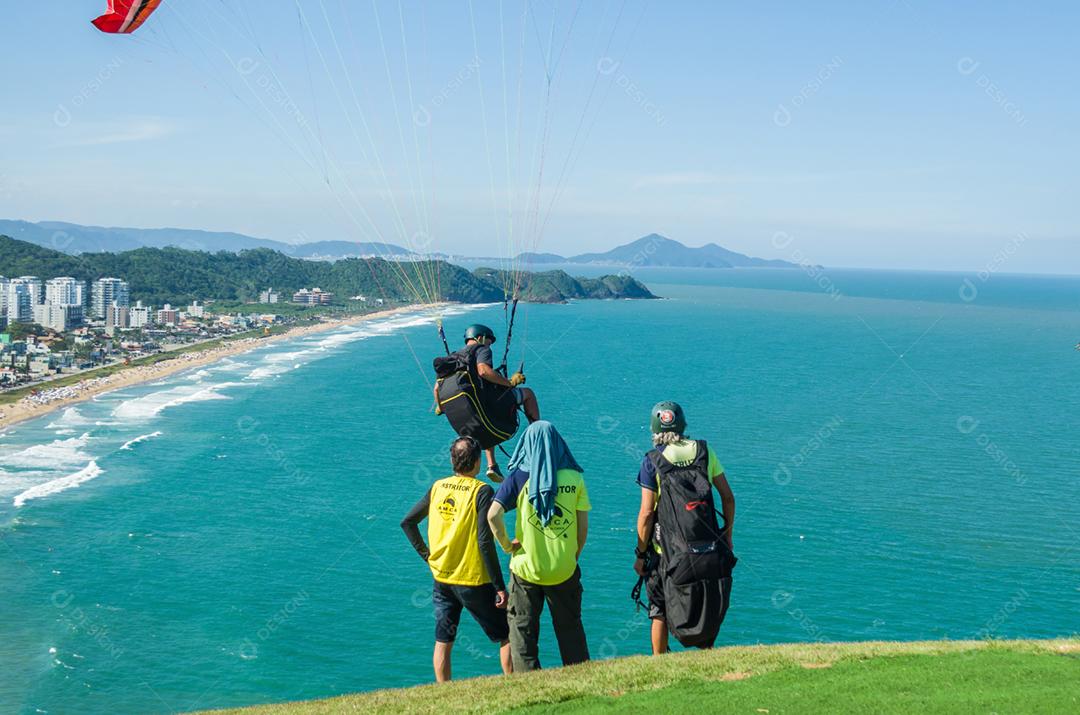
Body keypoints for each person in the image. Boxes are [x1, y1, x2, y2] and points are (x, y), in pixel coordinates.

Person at [401, 436, 512, 681]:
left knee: (443, 639)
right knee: (508, 633)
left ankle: (444, 693)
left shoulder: (438, 486)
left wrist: (428, 557)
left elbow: (408, 522)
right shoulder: (482, 491)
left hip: (442, 578)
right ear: (477, 461)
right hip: (473, 579)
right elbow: (485, 542)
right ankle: (513, 685)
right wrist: (500, 587)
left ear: (453, 460)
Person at [486, 421, 590, 671]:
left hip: (526, 569)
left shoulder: (518, 477)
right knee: (570, 628)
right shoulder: (575, 478)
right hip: (563, 568)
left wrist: (507, 546)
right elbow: (582, 528)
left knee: (522, 629)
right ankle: (579, 675)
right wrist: (571, 555)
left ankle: (528, 681)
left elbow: (492, 515)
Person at [634, 401, 736, 654]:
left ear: (654, 428)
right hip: (708, 547)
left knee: (658, 608)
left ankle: (660, 663)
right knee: (708, 600)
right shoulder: (705, 451)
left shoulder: (652, 461)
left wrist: (640, 553)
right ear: (682, 424)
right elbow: (728, 497)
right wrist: (727, 536)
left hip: (666, 554)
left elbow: (647, 513)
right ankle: (707, 658)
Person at [433, 324, 540, 481]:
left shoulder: (452, 359)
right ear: (480, 338)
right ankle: (538, 436)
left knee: (485, 412)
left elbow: (437, 388)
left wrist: (440, 407)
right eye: (489, 342)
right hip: (484, 408)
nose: (489, 345)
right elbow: (483, 370)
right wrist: (510, 383)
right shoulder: (481, 349)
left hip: (470, 415)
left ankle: (492, 465)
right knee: (528, 394)